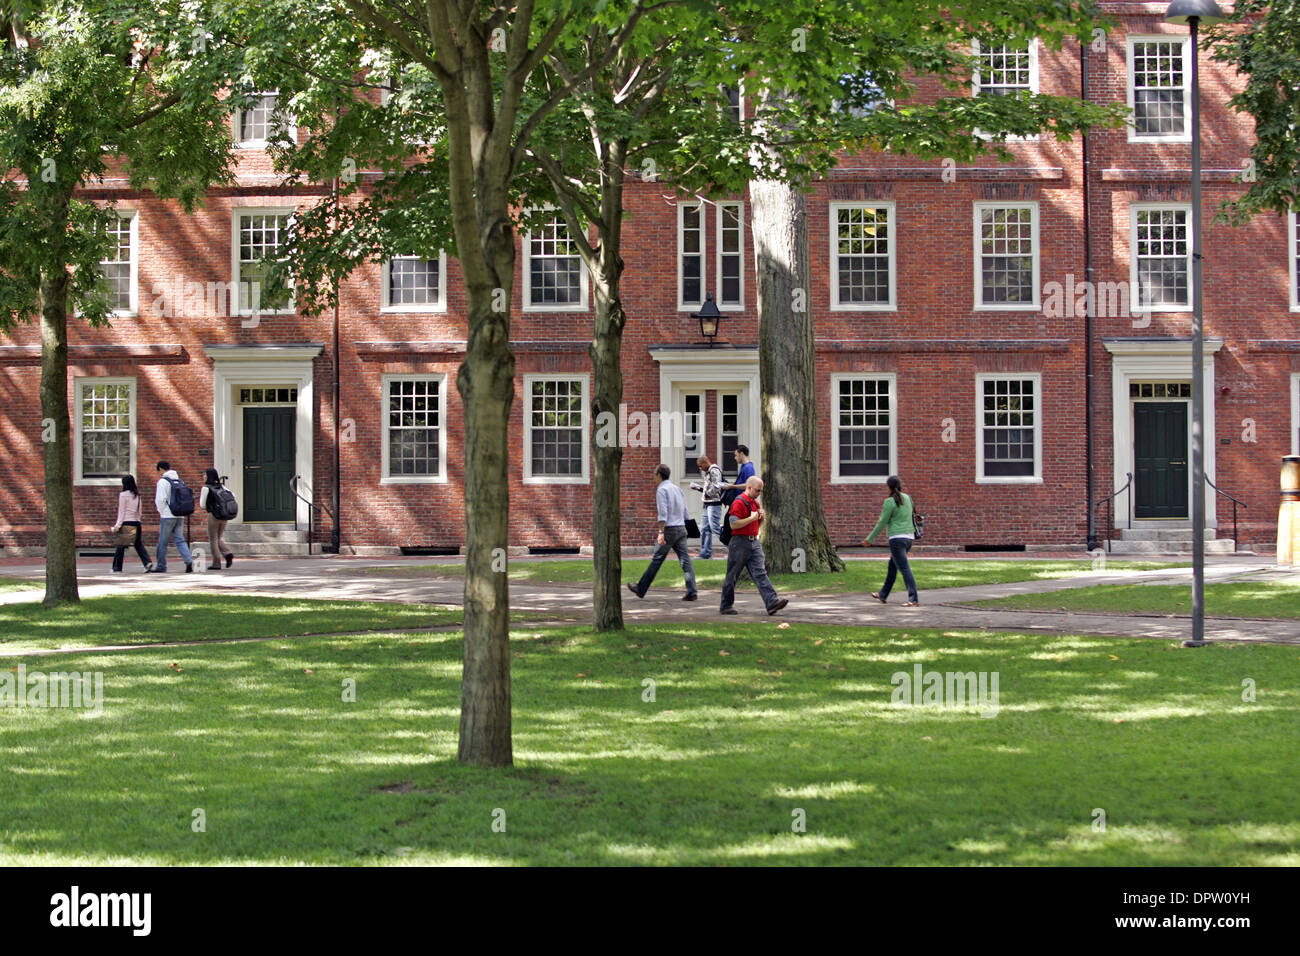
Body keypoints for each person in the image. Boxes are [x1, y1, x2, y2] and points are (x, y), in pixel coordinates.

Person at [719, 476, 788, 616]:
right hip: (739, 542)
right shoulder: (738, 502)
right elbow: (734, 524)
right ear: (749, 488)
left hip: (753, 542)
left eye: (761, 491)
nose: (759, 493)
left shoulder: (755, 504)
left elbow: (756, 525)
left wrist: (760, 519)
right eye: (757, 490)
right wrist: (752, 518)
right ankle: (726, 605)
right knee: (732, 575)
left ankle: (772, 602)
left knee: (760, 573)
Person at [627, 464, 697, 601]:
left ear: (659, 475)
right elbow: (685, 511)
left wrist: (661, 532)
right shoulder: (677, 488)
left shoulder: (661, 490)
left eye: (654, 475)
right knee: (685, 561)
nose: (654, 478)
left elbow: (663, 513)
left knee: (657, 560)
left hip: (669, 529)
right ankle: (692, 591)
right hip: (681, 527)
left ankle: (641, 589)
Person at [864, 474, 919, 607]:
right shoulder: (908, 498)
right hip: (909, 538)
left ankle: (913, 599)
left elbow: (882, 522)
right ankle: (883, 594)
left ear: (888, 487)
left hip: (897, 539)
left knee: (904, 568)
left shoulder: (889, 501)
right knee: (893, 566)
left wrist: (870, 538)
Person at [148, 460, 193, 573]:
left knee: (163, 542)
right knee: (180, 539)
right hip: (180, 514)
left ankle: (161, 566)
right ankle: (188, 560)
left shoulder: (163, 482)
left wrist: (162, 511)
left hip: (167, 515)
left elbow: (160, 500)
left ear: (160, 469)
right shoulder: (179, 480)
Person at [111, 475, 153, 573]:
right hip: (137, 522)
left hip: (127, 522)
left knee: (120, 546)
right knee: (138, 544)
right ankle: (147, 562)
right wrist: (138, 521)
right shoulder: (137, 496)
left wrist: (118, 525)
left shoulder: (123, 495)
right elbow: (140, 512)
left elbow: (121, 511)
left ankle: (117, 568)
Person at [199, 468, 234, 570]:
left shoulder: (206, 488)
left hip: (213, 515)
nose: (203, 477)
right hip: (224, 515)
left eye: (205, 475)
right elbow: (233, 496)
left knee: (213, 539)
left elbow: (202, 505)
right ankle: (227, 553)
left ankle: (216, 563)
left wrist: (211, 506)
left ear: (209, 476)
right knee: (218, 538)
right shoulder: (222, 487)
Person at [695, 454, 724, 559]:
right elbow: (709, 489)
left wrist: (707, 493)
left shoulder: (714, 470)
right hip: (707, 504)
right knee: (704, 529)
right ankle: (705, 554)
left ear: (705, 462)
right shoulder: (708, 472)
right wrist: (699, 488)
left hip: (714, 504)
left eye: (700, 466)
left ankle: (733, 548)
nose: (700, 468)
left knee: (715, 527)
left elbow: (717, 486)